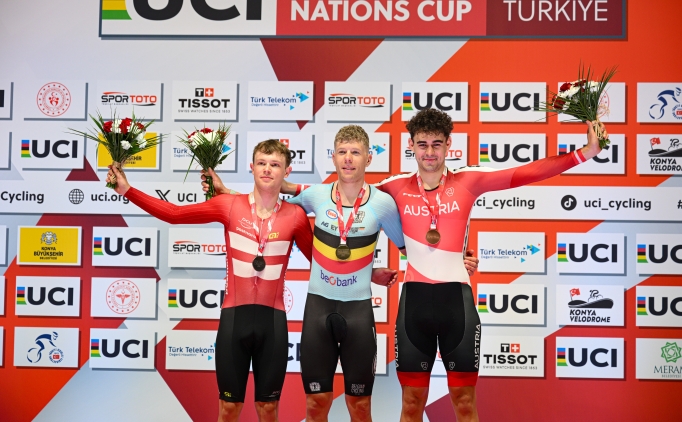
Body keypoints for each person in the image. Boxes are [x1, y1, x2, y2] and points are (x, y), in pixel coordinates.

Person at [204, 126, 480, 422]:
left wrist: (453, 260)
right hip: (318, 310)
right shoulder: (316, 195)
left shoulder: (383, 203)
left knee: (360, 407)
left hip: (358, 313)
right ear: (333, 157)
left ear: (368, 159)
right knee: (316, 405)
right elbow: (266, 204)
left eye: (355, 152)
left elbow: (411, 247)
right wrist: (227, 193)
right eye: (342, 152)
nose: (348, 159)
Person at [372, 109, 605, 422]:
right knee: (411, 405)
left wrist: (586, 152)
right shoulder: (393, 186)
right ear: (411, 145)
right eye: (422, 144)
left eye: (437, 144)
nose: (430, 152)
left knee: (464, 404)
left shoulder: (468, 180)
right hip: (414, 305)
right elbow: (350, 204)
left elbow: (526, 173)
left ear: (448, 144)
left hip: (457, 305)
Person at [108, 140, 314, 422]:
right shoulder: (229, 205)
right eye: (262, 163)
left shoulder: (296, 216)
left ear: (286, 171)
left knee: (268, 410)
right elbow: (175, 214)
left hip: (273, 324)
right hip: (234, 321)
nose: (267, 169)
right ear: (252, 167)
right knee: (228, 409)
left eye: (275, 164)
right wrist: (127, 191)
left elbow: (321, 262)